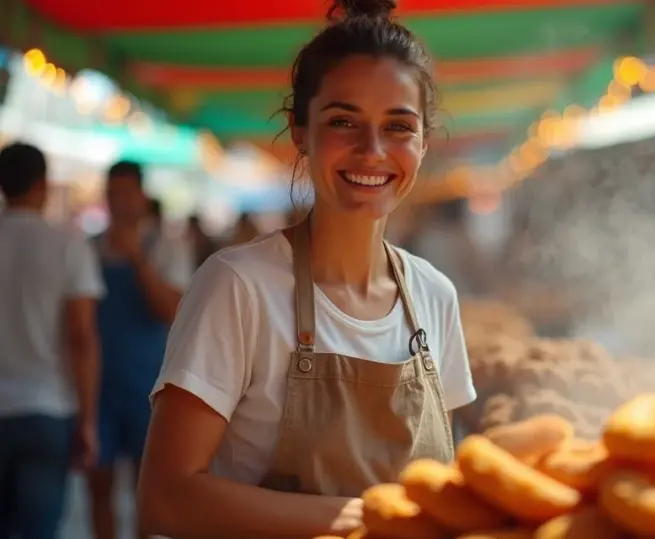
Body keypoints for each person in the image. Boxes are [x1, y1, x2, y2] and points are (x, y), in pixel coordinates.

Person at [136, 1, 476, 536]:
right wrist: (367, 518)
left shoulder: (435, 296)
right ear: (300, 131)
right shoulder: (238, 286)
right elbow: (165, 498)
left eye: (398, 126)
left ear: (424, 143)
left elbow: (438, 489)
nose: (372, 150)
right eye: (343, 121)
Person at [0, 142, 104, 539]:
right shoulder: (67, 244)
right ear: (42, 185)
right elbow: (82, 337)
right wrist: (89, 420)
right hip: (46, 409)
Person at [89, 160, 193, 539]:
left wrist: (137, 259)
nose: (118, 202)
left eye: (125, 194)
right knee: (98, 485)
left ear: (142, 197)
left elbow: (172, 311)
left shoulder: (167, 246)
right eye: (111, 194)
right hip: (99, 387)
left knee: (145, 489)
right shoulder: (91, 247)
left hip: (149, 385)